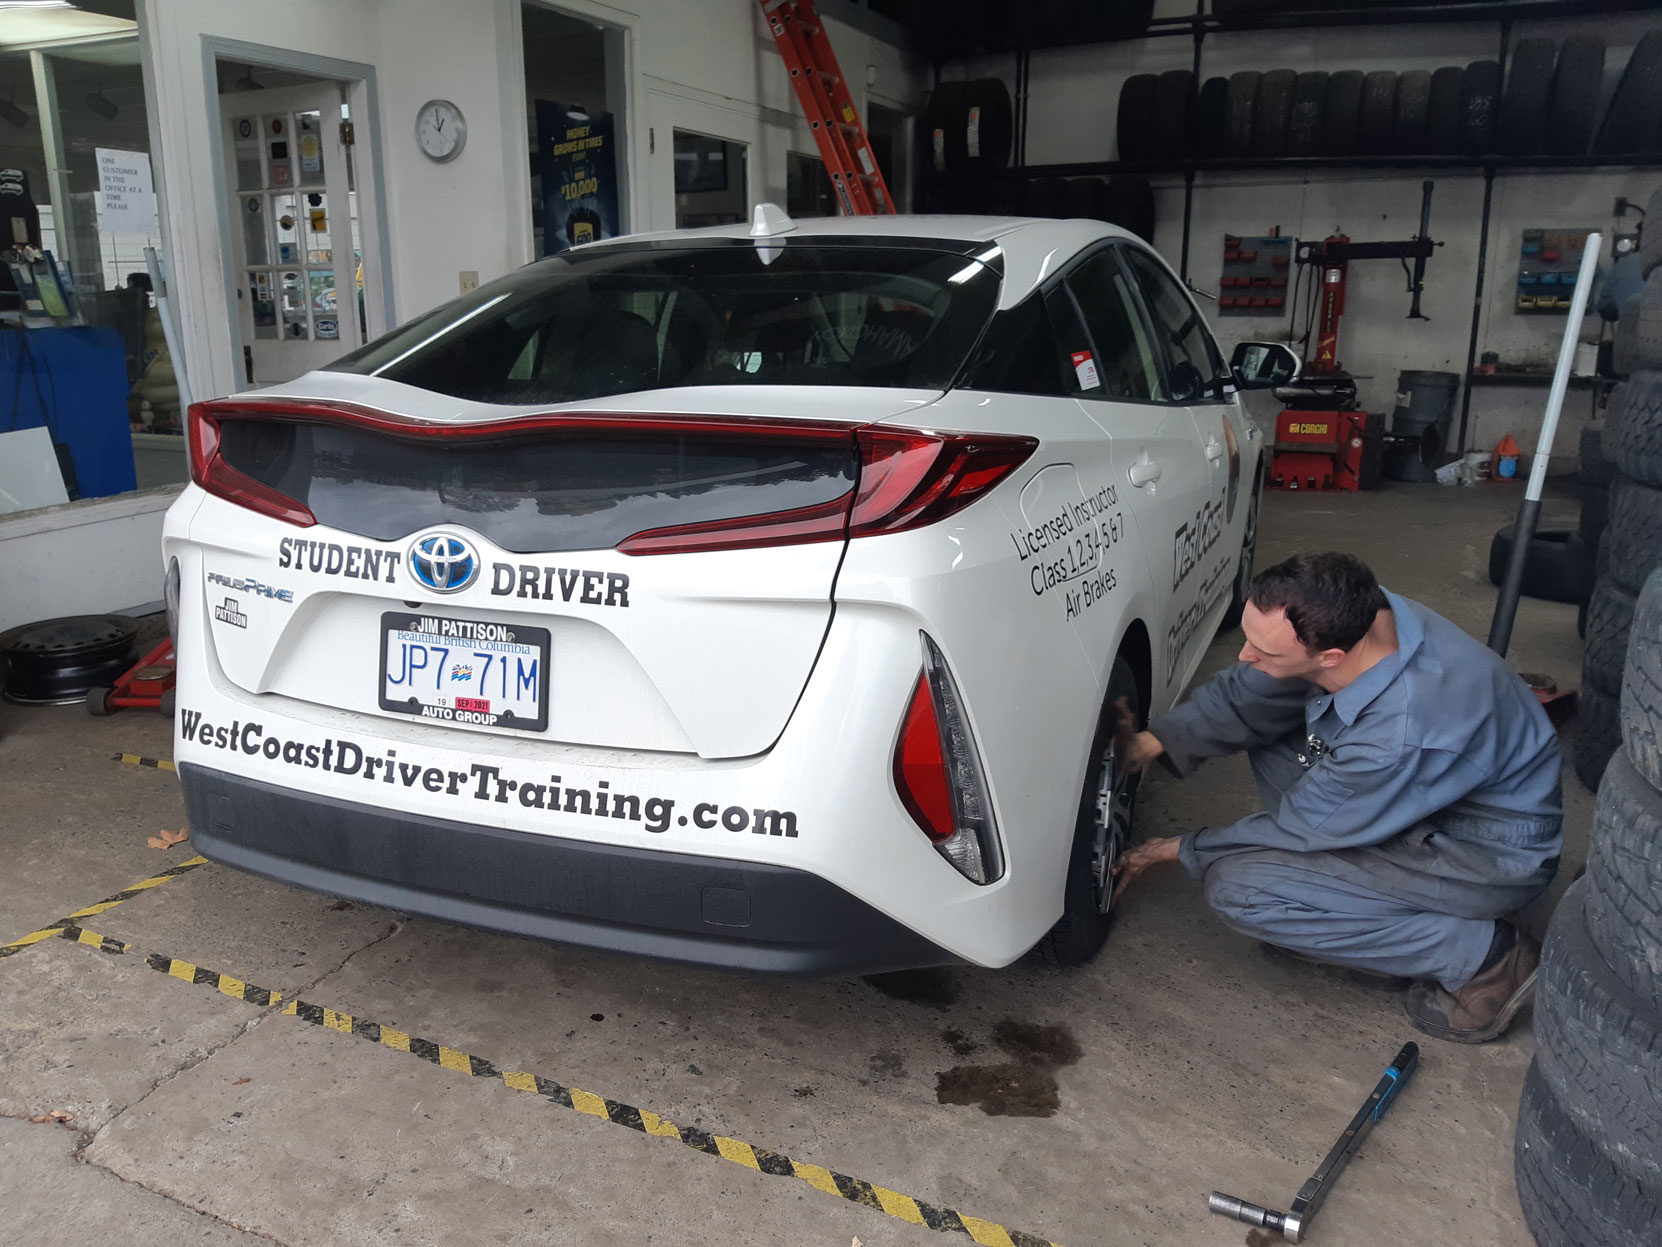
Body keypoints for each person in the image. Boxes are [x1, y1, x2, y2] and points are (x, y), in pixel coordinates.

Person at [1112, 552, 1562, 1044]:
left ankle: (1487, 958)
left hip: (1487, 856)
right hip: (1428, 798)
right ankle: (1350, 911)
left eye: (1264, 649)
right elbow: (1258, 686)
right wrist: (1157, 742)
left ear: (1331, 657)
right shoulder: (1355, 612)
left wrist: (1180, 847)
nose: (1243, 654)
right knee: (1276, 704)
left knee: (1242, 889)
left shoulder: (1402, 729)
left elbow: (1304, 825)